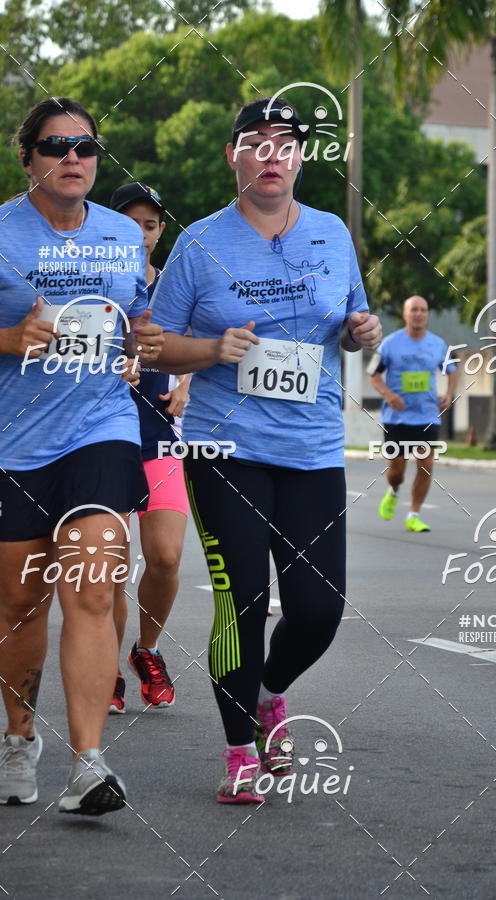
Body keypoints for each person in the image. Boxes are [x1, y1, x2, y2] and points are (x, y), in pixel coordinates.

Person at [151, 97, 381, 803]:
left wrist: (361, 331)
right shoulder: (200, 244)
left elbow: (348, 317)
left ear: (301, 158)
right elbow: (153, 345)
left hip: (311, 447)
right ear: (235, 156)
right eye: (258, 142)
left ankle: (269, 693)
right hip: (226, 448)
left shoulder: (332, 232)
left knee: (319, 610)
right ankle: (237, 751)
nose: (274, 154)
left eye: (288, 143)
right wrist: (214, 348)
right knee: (240, 601)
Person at [0, 98, 163, 815]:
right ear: (28, 157)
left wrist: (142, 349)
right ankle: (18, 737)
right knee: (17, 599)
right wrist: (6, 341)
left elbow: (138, 320)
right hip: (15, 437)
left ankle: (88, 766)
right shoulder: (1, 231)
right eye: (56, 145)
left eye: (86, 147)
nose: (73, 157)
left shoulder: (123, 237)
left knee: (95, 583)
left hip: (100, 425)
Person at [108, 183, 190, 713]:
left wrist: (186, 386)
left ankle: (148, 650)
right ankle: (104, 666)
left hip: (161, 435)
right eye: (131, 221)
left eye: (151, 223)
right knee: (111, 565)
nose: (141, 232)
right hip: (104, 436)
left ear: (161, 231)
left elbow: (197, 347)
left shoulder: (174, 287)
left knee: (164, 556)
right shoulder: (94, 283)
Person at [368, 295, 457, 532]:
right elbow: (372, 373)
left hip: (427, 416)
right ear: (405, 314)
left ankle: (413, 514)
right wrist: (388, 395)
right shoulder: (389, 343)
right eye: (414, 310)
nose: (419, 314)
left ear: (427, 315)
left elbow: (452, 371)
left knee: (425, 464)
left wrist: (448, 395)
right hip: (396, 418)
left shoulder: (438, 344)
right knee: (396, 470)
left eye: (423, 310)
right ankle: (394, 490)